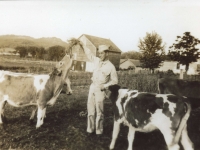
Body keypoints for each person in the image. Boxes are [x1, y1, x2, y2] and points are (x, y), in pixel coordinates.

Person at [80, 41, 118, 136]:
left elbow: (114, 81)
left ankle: (99, 131)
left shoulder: (111, 67)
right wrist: (82, 45)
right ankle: (90, 129)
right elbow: (89, 54)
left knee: (100, 111)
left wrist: (104, 86)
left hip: (101, 90)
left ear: (107, 53)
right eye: (99, 53)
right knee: (90, 109)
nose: (100, 55)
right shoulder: (96, 61)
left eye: (102, 53)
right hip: (92, 87)